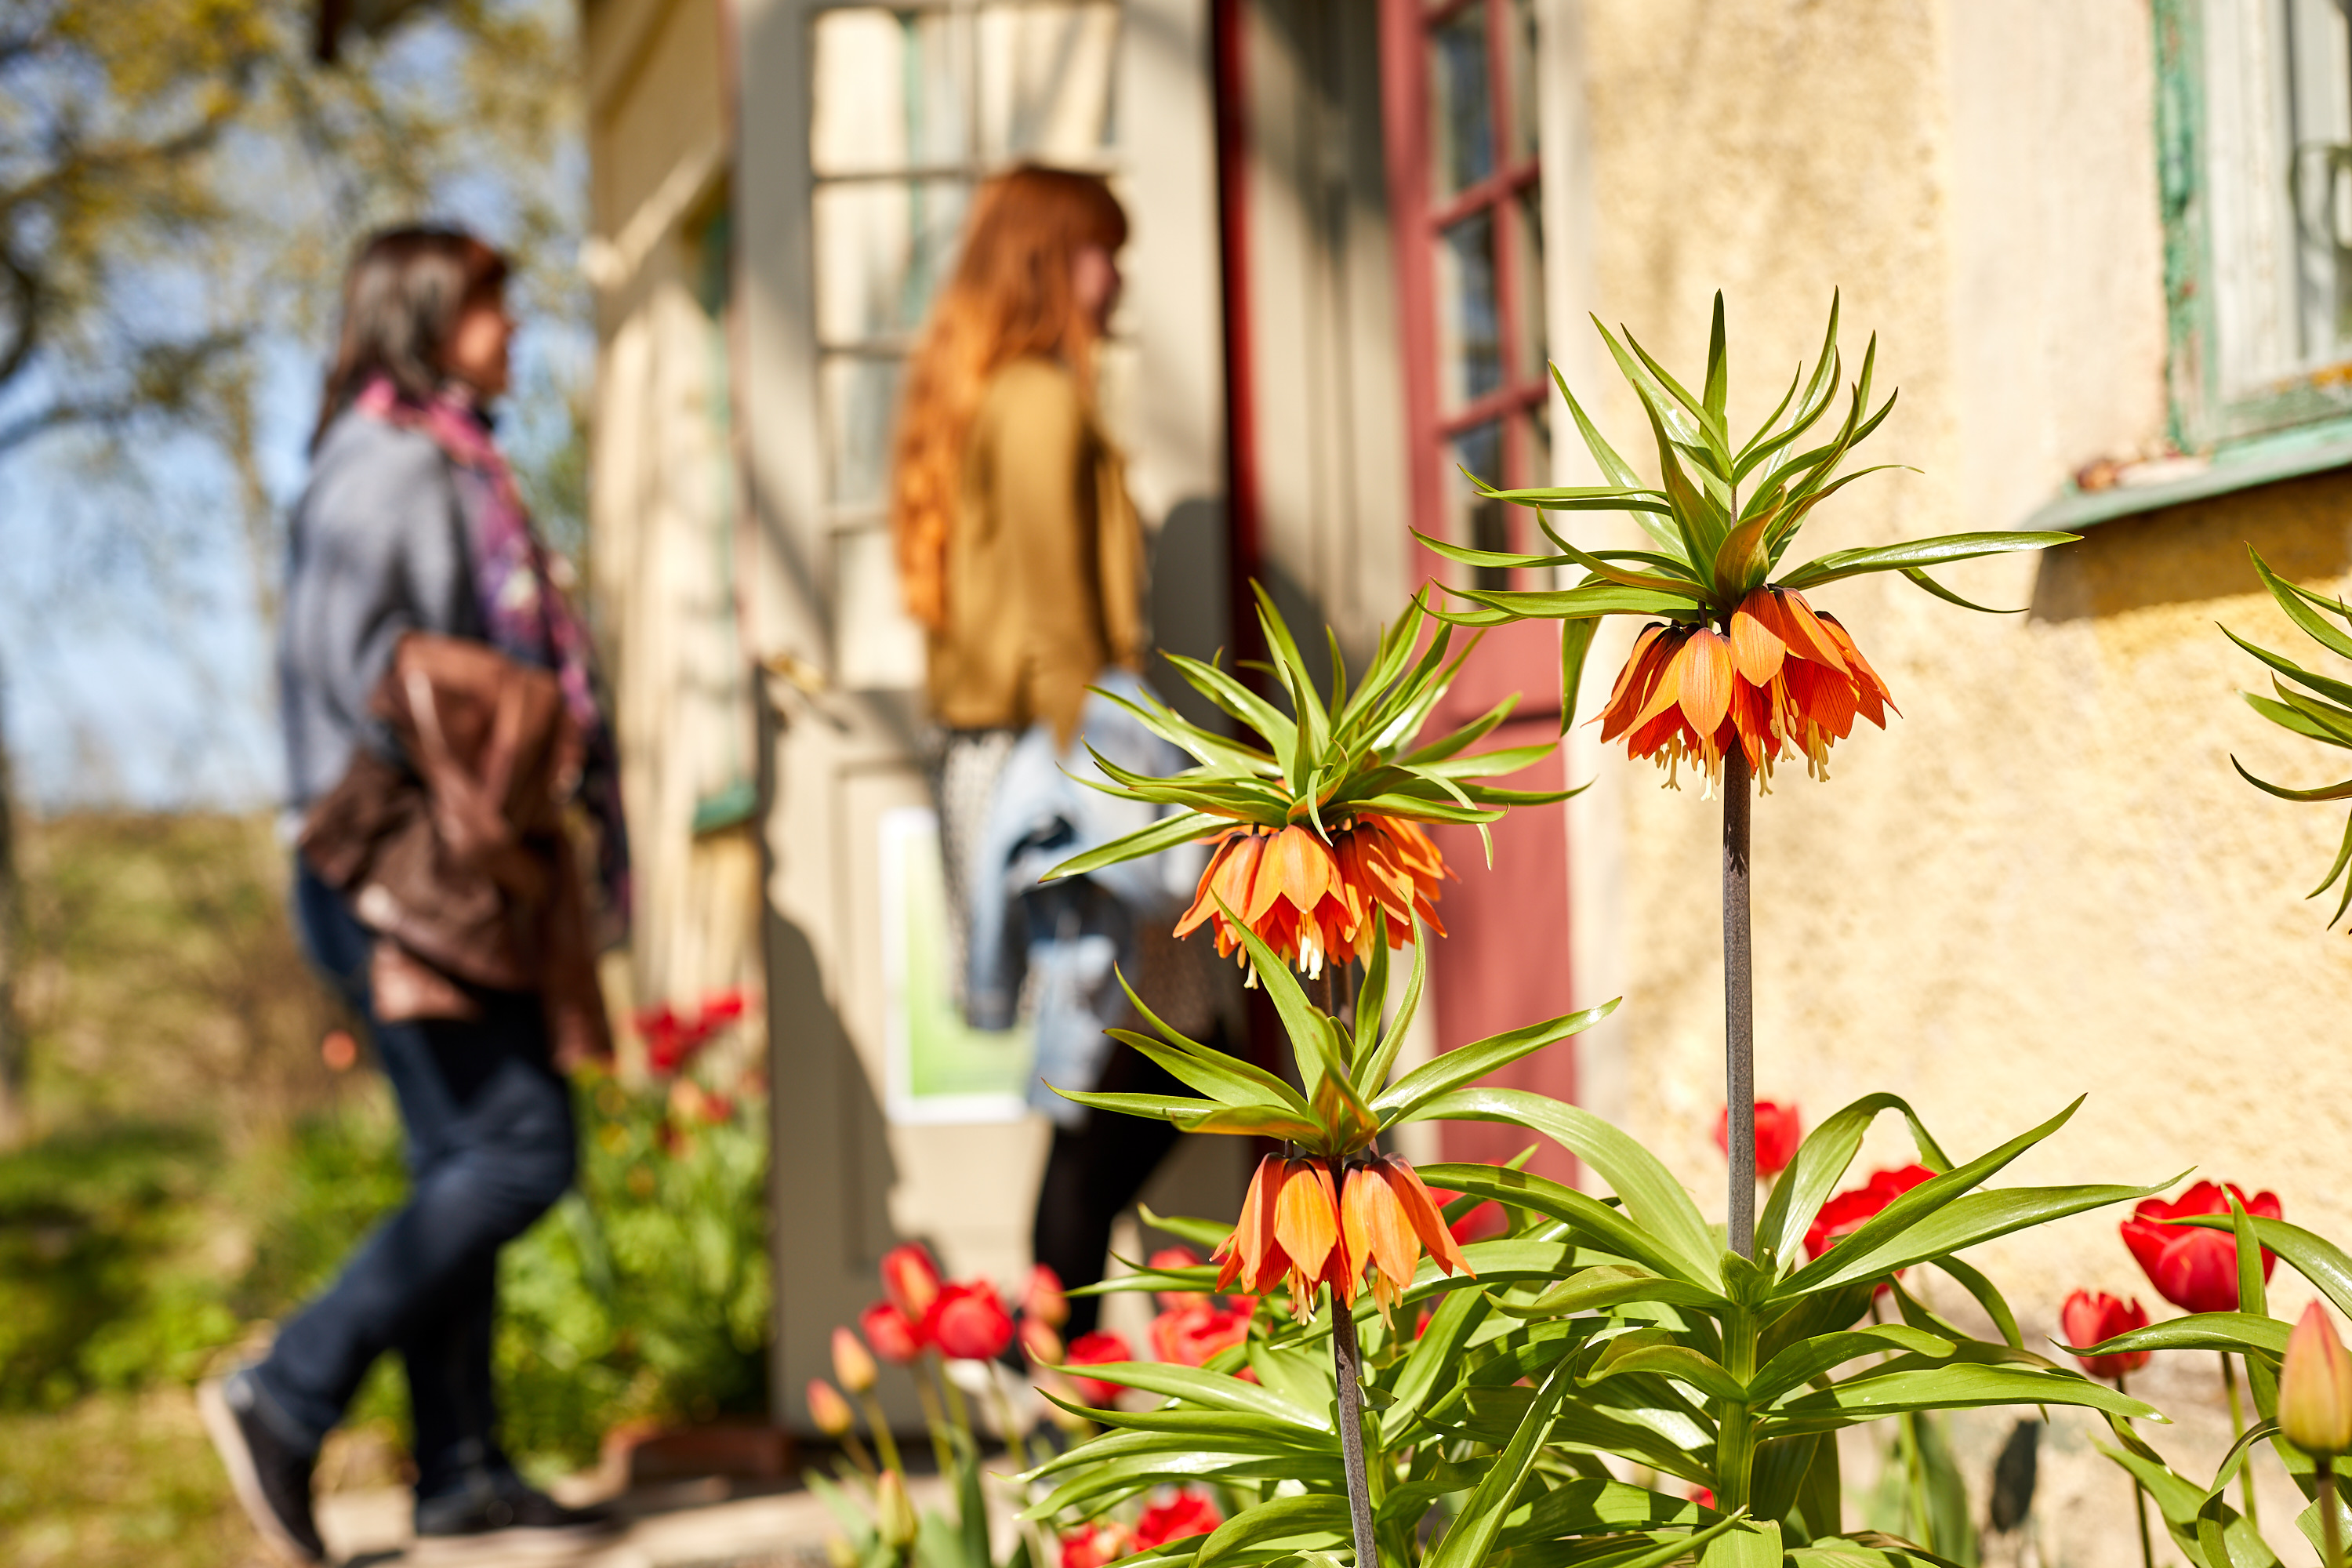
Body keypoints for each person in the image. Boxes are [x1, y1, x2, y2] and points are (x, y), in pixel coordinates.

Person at [201, 227, 624, 1563]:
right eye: (490, 309)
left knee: (464, 1157)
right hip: (386, 870)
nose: (512, 331)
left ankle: (459, 1468)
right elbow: (356, 677)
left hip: (434, 871)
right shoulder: (384, 470)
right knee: (519, 1149)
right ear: (427, 317)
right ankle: (287, 1386)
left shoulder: (451, 460)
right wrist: (498, 751)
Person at [891, 167, 1240, 1338]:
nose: (1119, 276)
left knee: (1132, 1070)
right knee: (1139, 1071)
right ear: (1049, 259)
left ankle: (1062, 1365)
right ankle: (1064, 1370)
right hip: (1068, 762)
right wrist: (1134, 795)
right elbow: (1057, 630)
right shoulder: (1035, 400)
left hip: (1024, 762)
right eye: (1102, 250)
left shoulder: (1000, 396)